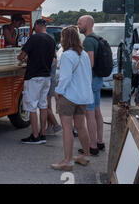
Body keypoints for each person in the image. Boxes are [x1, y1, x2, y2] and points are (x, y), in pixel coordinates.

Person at [51, 26, 93, 171]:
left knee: (67, 128)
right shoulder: (84, 54)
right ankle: (86, 155)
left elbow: (65, 77)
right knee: (81, 126)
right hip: (83, 96)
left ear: (64, 38)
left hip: (69, 96)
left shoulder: (67, 55)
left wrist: (58, 91)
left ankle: (67, 161)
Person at [17, 19, 56, 144]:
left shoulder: (34, 38)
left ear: (38, 26)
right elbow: (50, 59)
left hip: (34, 77)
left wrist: (20, 58)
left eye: (34, 27)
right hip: (46, 76)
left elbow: (22, 55)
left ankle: (34, 136)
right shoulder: (51, 39)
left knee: (32, 106)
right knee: (43, 106)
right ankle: (42, 134)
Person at [77, 15, 105, 156]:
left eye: (80, 23)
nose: (78, 26)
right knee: (97, 111)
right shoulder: (97, 38)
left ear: (88, 24)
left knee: (90, 113)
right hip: (98, 79)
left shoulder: (88, 41)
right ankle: (100, 141)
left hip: (91, 80)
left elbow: (90, 64)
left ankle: (92, 146)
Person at [45, 57, 63, 135]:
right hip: (51, 81)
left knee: (45, 106)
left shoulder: (51, 59)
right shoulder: (53, 57)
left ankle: (55, 125)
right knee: (48, 106)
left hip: (49, 82)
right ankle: (50, 126)